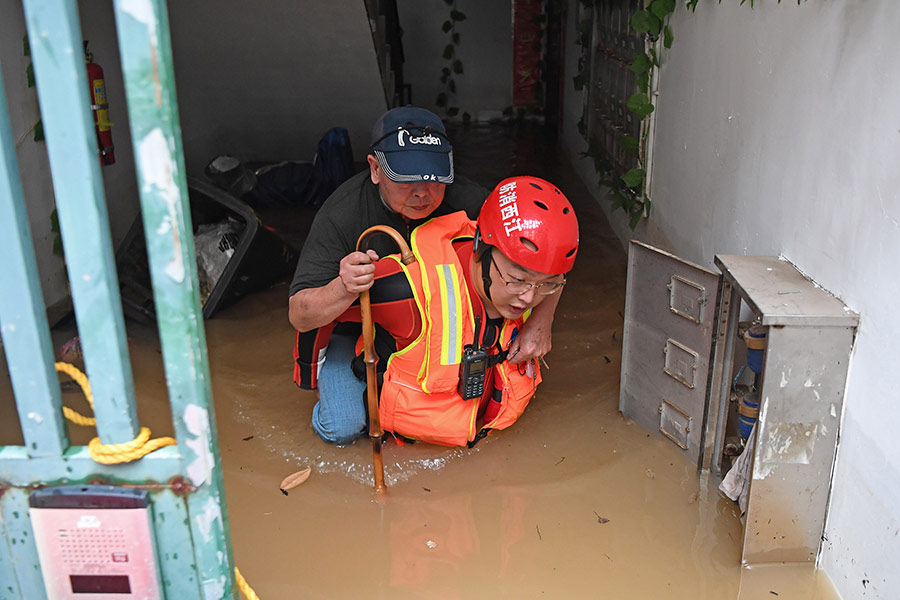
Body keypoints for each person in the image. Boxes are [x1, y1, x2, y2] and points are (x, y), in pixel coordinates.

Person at [289, 106, 565, 444]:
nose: (422, 193)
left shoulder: (472, 201)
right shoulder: (342, 214)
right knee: (343, 429)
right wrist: (343, 287)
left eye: (434, 178)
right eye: (405, 179)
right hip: (357, 325)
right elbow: (300, 315)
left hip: (436, 319)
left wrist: (541, 320)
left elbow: (549, 256)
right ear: (375, 169)